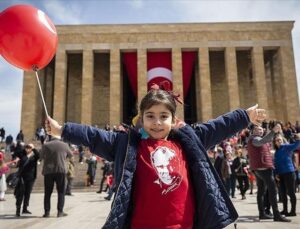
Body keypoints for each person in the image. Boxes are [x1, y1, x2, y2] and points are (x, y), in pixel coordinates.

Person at [45, 85, 266, 228]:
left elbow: (217, 127)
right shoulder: (127, 144)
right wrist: (62, 130)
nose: (157, 122)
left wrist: (244, 116)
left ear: (173, 118)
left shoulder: (188, 141)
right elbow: (94, 137)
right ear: (141, 118)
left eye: (163, 116)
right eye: (150, 116)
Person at [247, 124, 290, 222]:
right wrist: (273, 131)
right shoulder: (254, 139)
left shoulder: (257, 139)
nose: (260, 131)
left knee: (261, 191)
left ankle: (262, 214)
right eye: (258, 129)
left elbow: (264, 144)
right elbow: (262, 141)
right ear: (253, 131)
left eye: (261, 130)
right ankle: (276, 215)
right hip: (263, 168)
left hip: (260, 168)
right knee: (273, 190)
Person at [40, 137, 73, 218]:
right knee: (61, 192)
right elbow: (71, 155)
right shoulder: (64, 145)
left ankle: (47, 212)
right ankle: (60, 212)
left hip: (48, 171)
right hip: (61, 170)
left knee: (47, 193)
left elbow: (40, 156)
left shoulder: (46, 145)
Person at [273, 133, 300, 217]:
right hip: (280, 174)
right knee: (283, 193)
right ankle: (285, 210)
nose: (278, 141)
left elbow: (297, 145)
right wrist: (276, 173)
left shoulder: (286, 147)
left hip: (289, 173)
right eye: (277, 140)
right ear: (275, 143)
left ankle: (293, 211)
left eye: (279, 140)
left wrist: (298, 138)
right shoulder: (276, 151)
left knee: (291, 192)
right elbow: (276, 164)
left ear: (282, 140)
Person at [15, 143, 40, 216]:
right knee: (20, 194)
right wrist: (24, 150)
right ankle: (18, 210)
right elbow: (18, 154)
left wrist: (34, 148)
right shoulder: (22, 154)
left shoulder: (34, 155)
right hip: (22, 177)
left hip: (31, 177)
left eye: (29, 147)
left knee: (28, 193)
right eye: (27, 147)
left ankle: (25, 208)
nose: (28, 148)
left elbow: (39, 156)